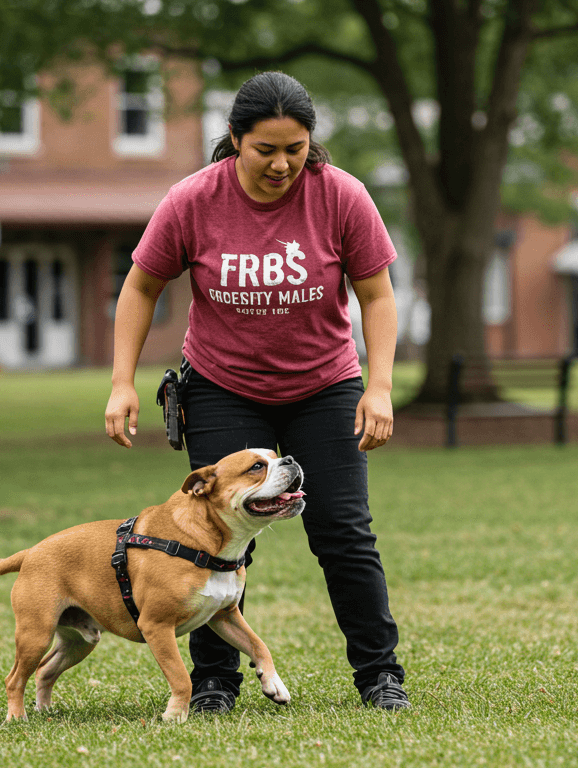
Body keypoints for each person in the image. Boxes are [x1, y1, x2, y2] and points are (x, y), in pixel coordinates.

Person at [104, 71, 409, 713]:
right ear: (235, 140)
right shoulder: (193, 200)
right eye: (265, 149)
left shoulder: (342, 197)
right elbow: (140, 287)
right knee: (211, 535)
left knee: (344, 531)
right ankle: (215, 682)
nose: (281, 164)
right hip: (221, 386)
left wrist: (377, 387)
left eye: (294, 149)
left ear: (311, 143)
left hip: (323, 384)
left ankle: (379, 675)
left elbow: (378, 297)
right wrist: (120, 383)